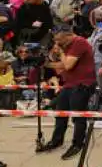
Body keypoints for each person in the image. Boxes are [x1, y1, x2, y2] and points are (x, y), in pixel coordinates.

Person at [37, 30, 97, 159]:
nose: (58, 43)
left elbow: (68, 65)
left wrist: (61, 52)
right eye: (56, 41)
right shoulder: (68, 46)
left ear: (68, 35)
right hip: (70, 83)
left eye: (60, 40)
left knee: (78, 115)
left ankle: (77, 143)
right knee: (60, 111)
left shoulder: (79, 42)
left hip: (83, 83)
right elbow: (62, 65)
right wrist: (46, 63)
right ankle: (57, 140)